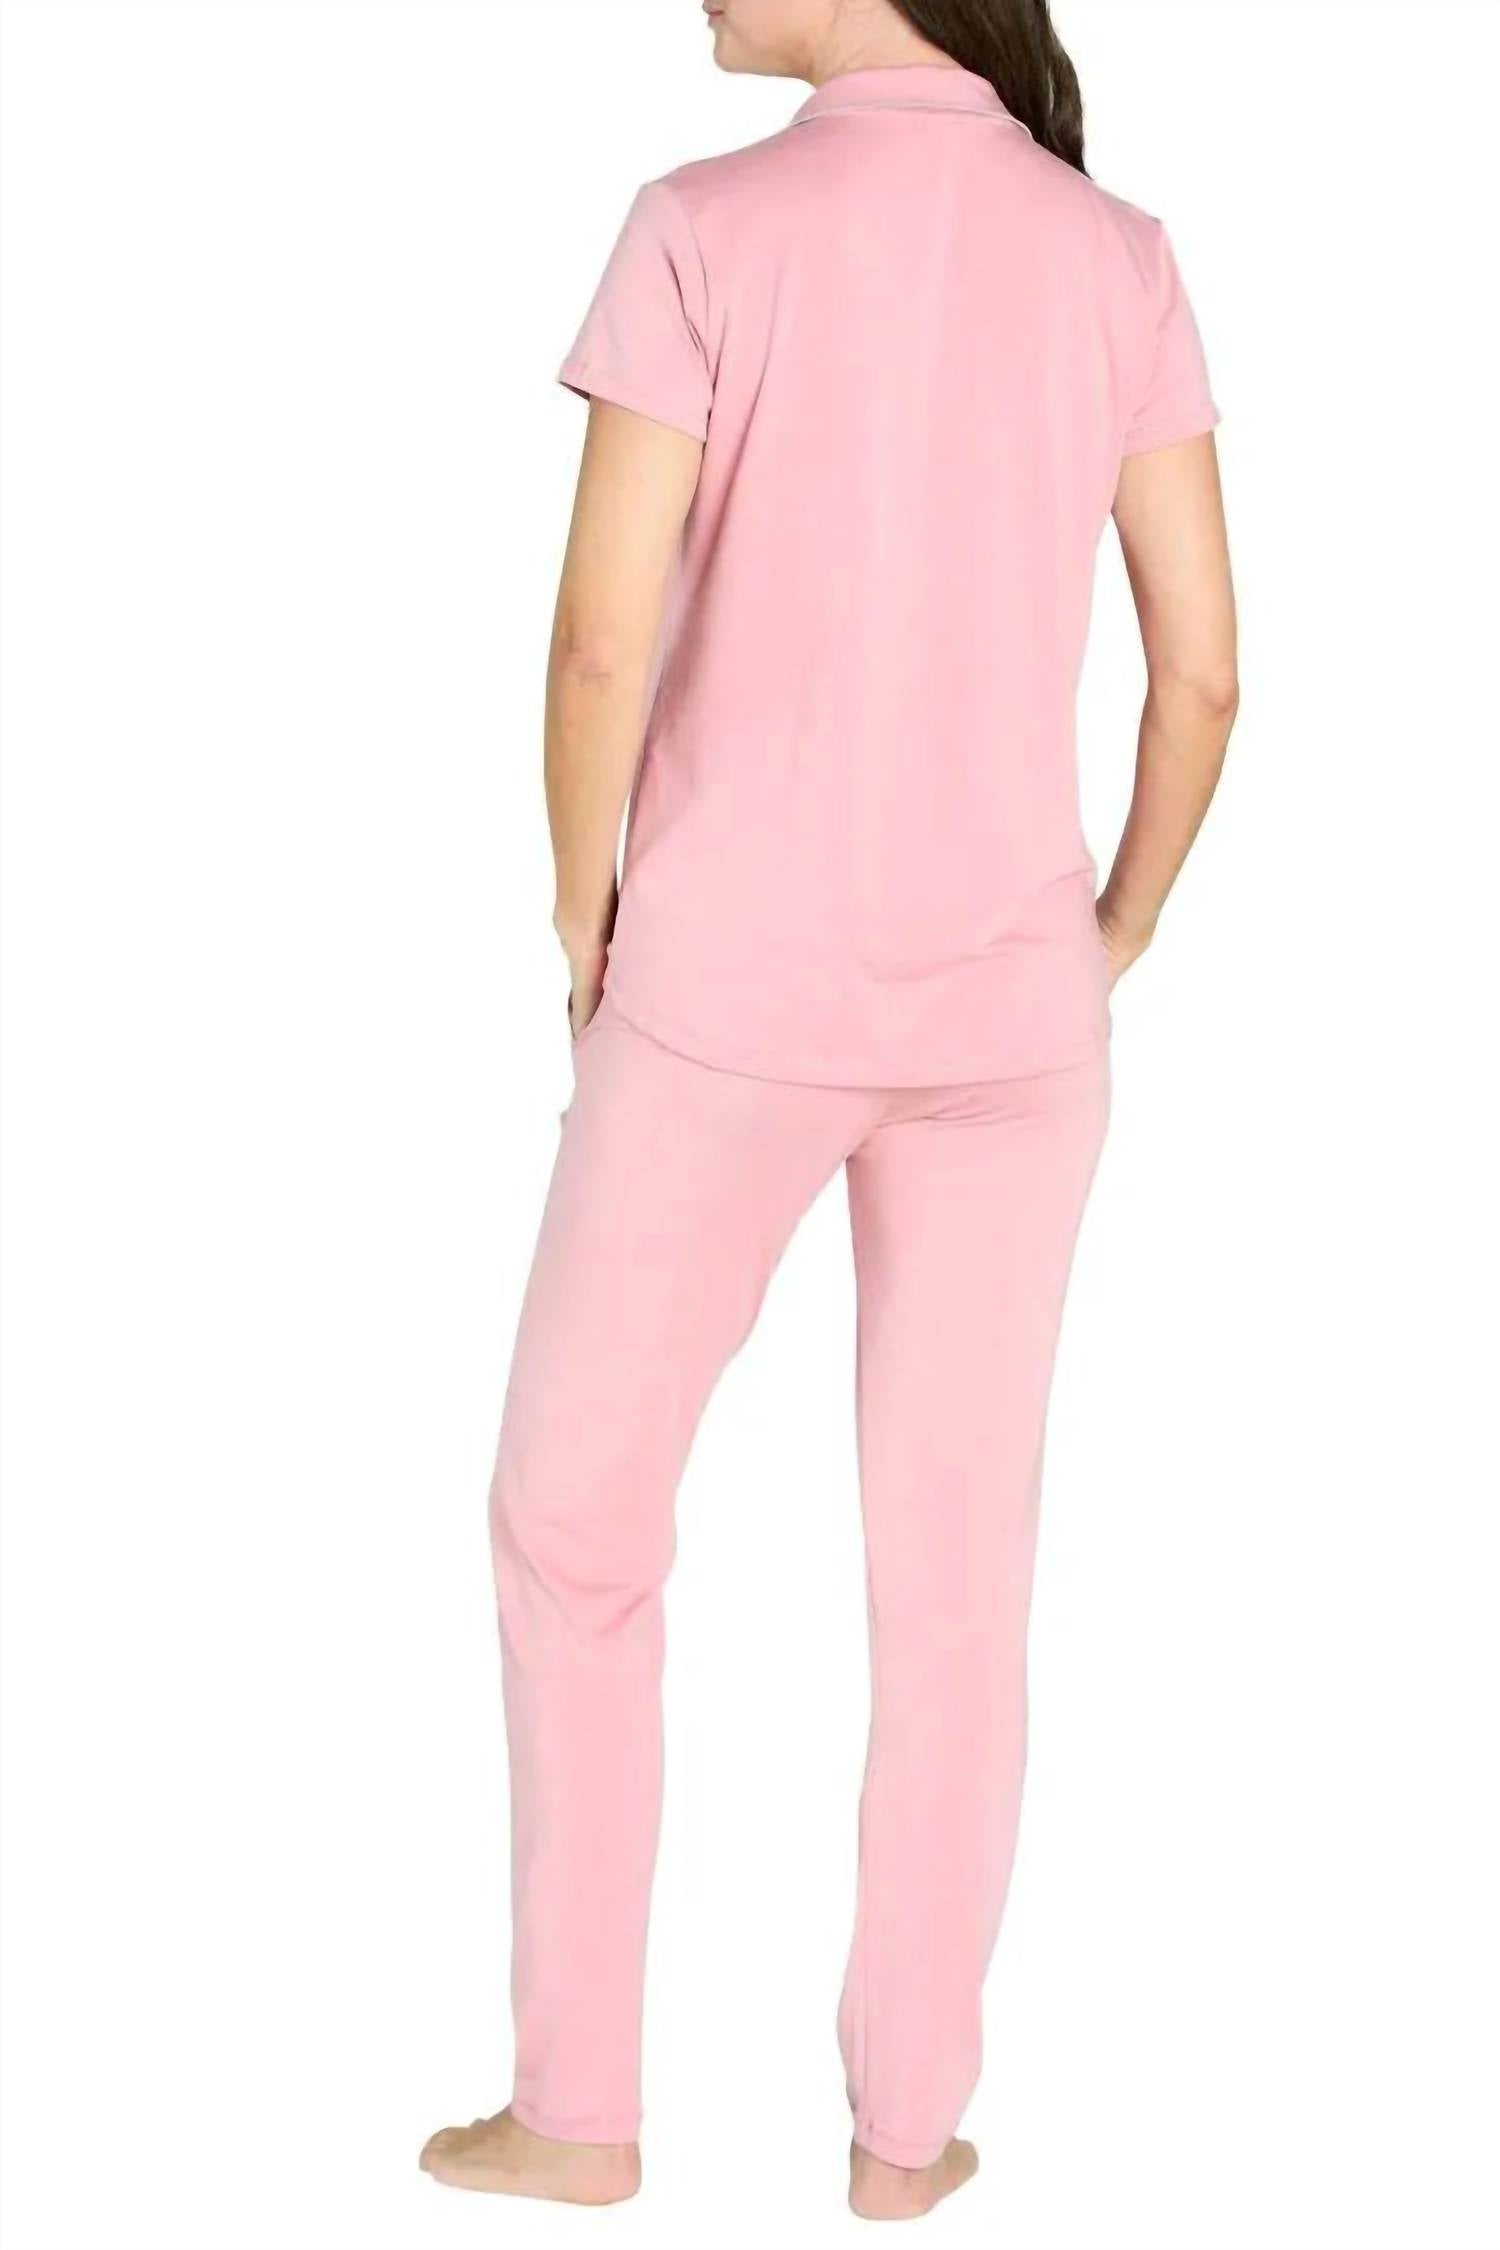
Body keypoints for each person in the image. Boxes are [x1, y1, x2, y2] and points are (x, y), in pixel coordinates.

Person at [421, 0, 1237, 2221]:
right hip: (1013, 1023)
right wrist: (1109, 930)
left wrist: (583, 920)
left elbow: (599, 645)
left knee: (576, 1527)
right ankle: (905, 2136)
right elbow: (1204, 670)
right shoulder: (1117, 254)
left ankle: (577, 2110)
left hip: (724, 1001)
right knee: (956, 1574)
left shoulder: (704, 228)